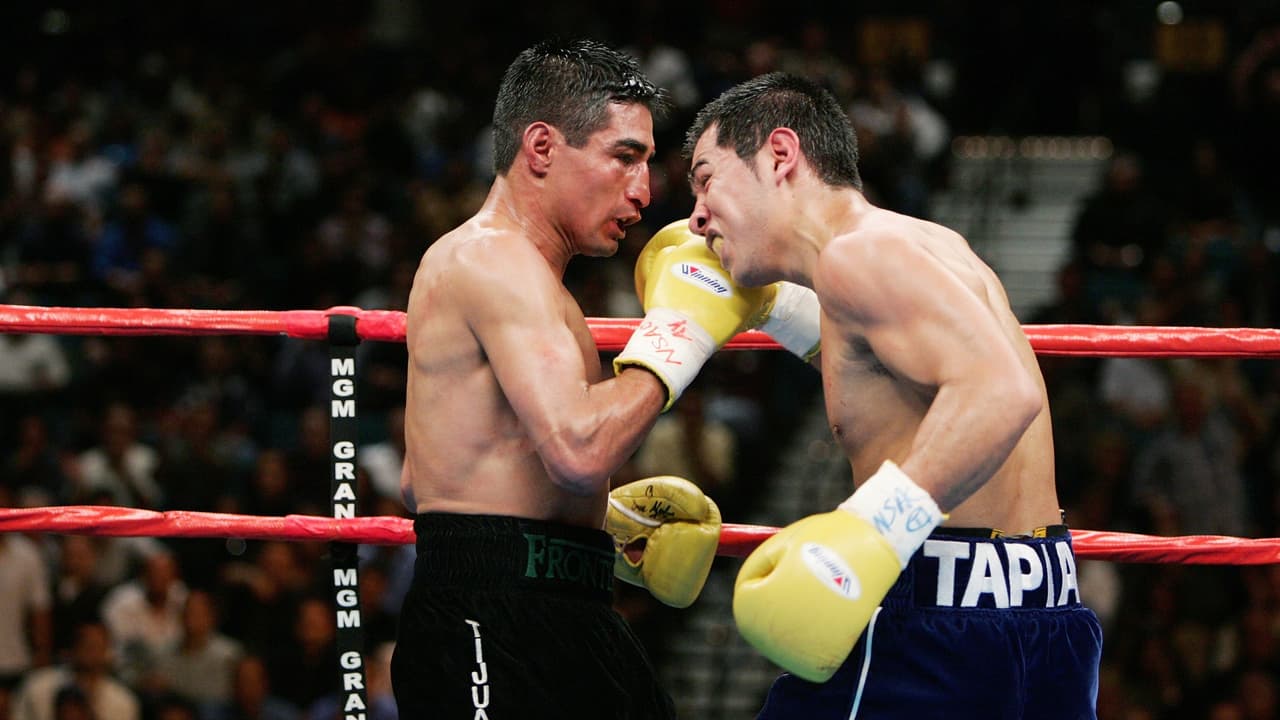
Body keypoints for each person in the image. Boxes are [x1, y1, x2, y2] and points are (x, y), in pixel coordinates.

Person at [392, 39, 803, 719]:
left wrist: (600, 525)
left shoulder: (526, 279)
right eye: (624, 158)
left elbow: (424, 477)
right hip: (490, 621)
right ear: (542, 148)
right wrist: (683, 333)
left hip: (559, 606)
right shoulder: (491, 260)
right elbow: (580, 451)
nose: (644, 191)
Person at [683, 72, 1103, 718]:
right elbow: (887, 369)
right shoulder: (925, 243)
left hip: (936, 621)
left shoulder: (855, 258)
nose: (696, 216)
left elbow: (1003, 392)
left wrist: (869, 530)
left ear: (780, 154)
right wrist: (770, 309)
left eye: (706, 179)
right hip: (1044, 610)